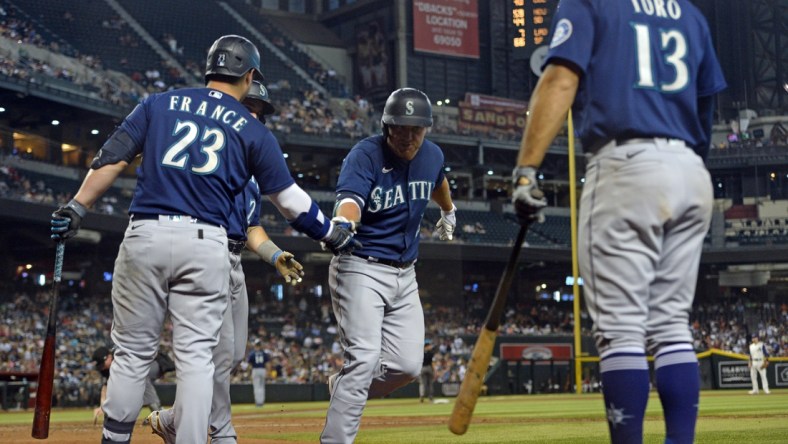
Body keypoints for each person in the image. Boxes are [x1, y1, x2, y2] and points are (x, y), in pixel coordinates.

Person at [50, 34, 358, 444]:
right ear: (249, 76)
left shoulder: (158, 104)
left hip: (146, 233)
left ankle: (115, 439)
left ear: (210, 69)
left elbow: (111, 158)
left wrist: (77, 207)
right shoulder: (253, 130)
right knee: (197, 360)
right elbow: (289, 201)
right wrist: (330, 232)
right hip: (206, 242)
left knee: (132, 353)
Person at [511, 2, 726, 443]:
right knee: (670, 326)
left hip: (627, 164)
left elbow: (560, 78)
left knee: (622, 331)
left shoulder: (590, 2)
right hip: (690, 169)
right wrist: (682, 165)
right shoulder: (690, 14)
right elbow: (707, 102)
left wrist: (526, 171)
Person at [146, 80, 302, 443]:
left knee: (231, 356)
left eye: (259, 113)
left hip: (234, 263)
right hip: (205, 256)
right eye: (249, 107)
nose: (253, 116)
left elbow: (251, 228)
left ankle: (173, 419)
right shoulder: (207, 158)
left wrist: (274, 255)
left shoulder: (250, 173)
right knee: (212, 357)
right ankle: (219, 431)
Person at [320, 87, 457, 443]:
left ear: (427, 128)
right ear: (387, 126)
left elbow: (438, 179)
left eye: (417, 128)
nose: (409, 136)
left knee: (408, 366)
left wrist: (448, 209)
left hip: (405, 272)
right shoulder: (364, 155)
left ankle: (344, 384)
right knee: (364, 359)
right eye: (402, 128)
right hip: (360, 265)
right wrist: (345, 223)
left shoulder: (432, 154)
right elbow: (349, 199)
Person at [91, 346, 174, 426]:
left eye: (102, 365)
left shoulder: (121, 355)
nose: (102, 368)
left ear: (109, 357)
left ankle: (158, 413)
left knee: (138, 375)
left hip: (156, 362)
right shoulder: (107, 368)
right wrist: (102, 406)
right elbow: (106, 386)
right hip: (139, 369)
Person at [248, 338, 270, 407]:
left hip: (255, 370)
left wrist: (249, 373)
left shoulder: (252, 353)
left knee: (256, 387)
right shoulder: (264, 353)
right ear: (260, 345)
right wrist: (268, 372)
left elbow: (250, 365)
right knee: (262, 387)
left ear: (255, 345)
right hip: (262, 370)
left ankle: (258, 402)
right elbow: (268, 364)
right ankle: (261, 402)